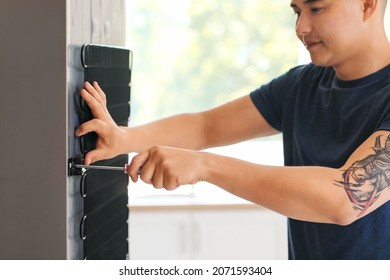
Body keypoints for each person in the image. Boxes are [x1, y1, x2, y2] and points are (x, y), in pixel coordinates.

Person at [75, 0, 390, 259]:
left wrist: (203, 165)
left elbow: (347, 198)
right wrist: (124, 138)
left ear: (367, 4)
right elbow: (207, 127)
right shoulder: (301, 86)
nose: (301, 28)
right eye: (296, 12)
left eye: (316, 8)